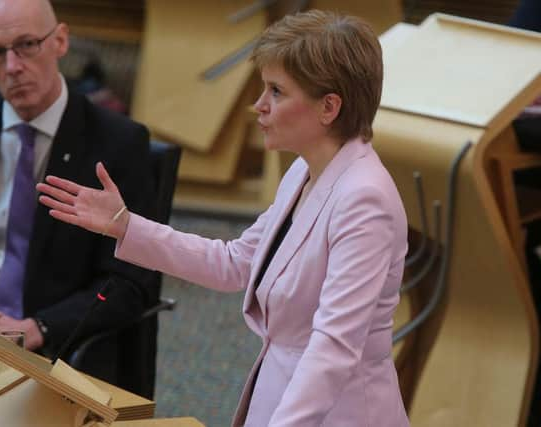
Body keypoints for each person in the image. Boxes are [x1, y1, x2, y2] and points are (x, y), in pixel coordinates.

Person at [38, 9, 410, 427]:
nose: (258, 106)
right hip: (283, 396)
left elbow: (334, 348)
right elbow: (235, 262)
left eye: (276, 92)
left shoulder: (365, 200)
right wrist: (127, 225)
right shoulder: (305, 171)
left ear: (329, 107)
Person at [0, 0, 156, 395]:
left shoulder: (120, 143)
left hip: (46, 337)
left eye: (26, 45)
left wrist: (38, 327)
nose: (13, 67)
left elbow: (128, 282)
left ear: (61, 41)